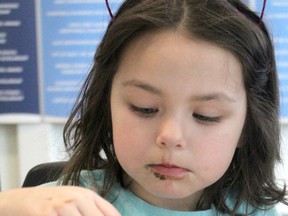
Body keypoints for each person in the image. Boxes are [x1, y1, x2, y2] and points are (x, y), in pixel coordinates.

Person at [0, 0, 288, 215]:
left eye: (205, 116)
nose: (170, 136)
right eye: (144, 108)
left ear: (248, 126)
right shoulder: (64, 206)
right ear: (106, 105)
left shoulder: (257, 211)